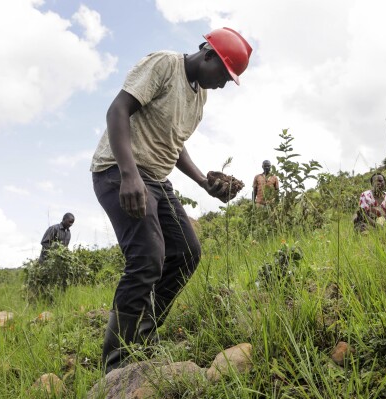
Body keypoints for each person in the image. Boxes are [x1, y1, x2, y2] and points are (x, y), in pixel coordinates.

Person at [90, 27, 252, 373]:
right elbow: (117, 110)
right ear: (208, 55)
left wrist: (204, 181)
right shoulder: (164, 65)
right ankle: (116, 364)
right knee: (148, 256)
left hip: (155, 179)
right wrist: (129, 173)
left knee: (186, 253)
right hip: (119, 171)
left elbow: (173, 145)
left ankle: (143, 339)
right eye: (224, 75)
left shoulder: (200, 98)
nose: (223, 85)